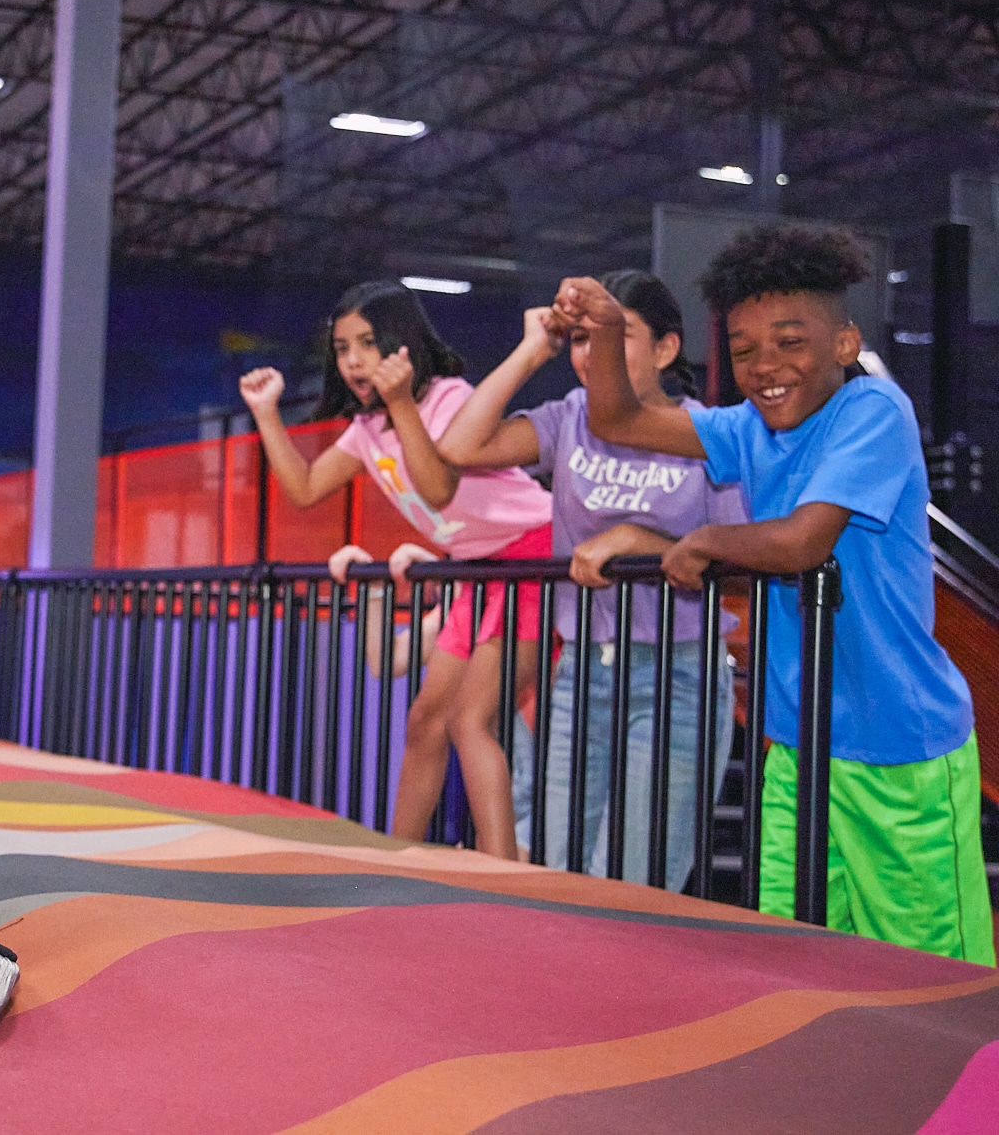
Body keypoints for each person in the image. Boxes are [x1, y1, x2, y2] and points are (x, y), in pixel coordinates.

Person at [557, 225, 993, 963]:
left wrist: (700, 542)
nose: (766, 366)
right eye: (744, 348)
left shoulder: (873, 413)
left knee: (930, 976)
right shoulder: (745, 426)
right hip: (797, 743)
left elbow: (801, 541)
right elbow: (618, 419)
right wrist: (603, 329)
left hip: (899, 748)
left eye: (790, 341)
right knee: (793, 955)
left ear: (845, 344)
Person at [439, 271, 743, 889]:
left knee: (633, 883)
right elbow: (460, 447)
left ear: (665, 348)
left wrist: (640, 543)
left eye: (615, 334)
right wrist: (532, 351)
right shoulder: (570, 416)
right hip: (581, 674)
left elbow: (738, 560)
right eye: (580, 338)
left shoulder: (709, 432)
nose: (591, 352)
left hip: (678, 676)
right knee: (557, 872)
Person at [240, 280, 554, 859]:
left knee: (470, 720)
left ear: (402, 343)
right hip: (479, 571)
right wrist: (264, 414)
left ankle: (502, 868)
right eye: (342, 348)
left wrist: (404, 403)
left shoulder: (448, 399)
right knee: (424, 722)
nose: (354, 359)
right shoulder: (367, 430)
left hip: (534, 555)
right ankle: (397, 862)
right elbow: (306, 489)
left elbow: (436, 490)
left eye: (367, 342)